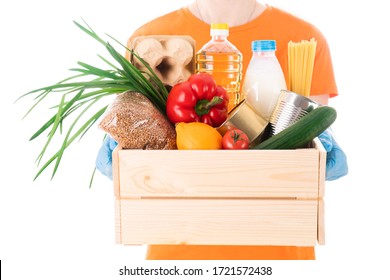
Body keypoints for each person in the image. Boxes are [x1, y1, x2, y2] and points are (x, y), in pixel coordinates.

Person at [96, 0, 348, 260]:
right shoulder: (146, 40)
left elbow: (308, 132)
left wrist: (318, 147)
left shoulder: (304, 39)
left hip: (280, 248)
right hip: (177, 249)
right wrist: (125, 151)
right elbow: (135, 116)